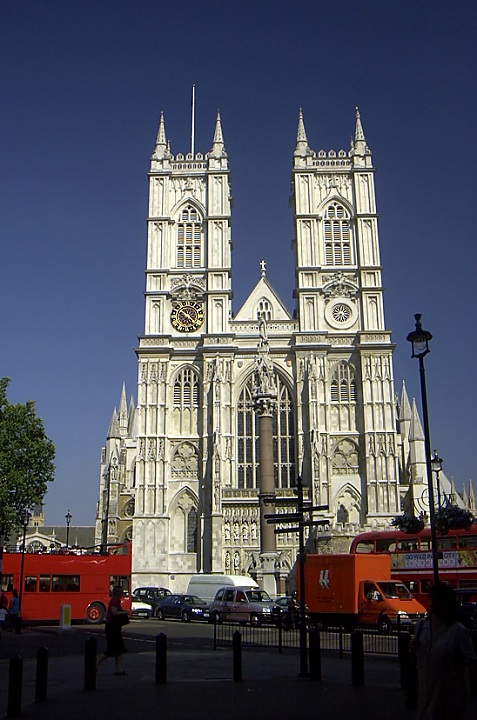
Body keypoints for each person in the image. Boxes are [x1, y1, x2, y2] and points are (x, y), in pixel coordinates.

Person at [411, 581, 477, 720]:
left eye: (437, 599)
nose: (432, 603)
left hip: (448, 702)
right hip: (424, 700)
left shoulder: (458, 631)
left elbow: (471, 662)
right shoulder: (420, 627)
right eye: (431, 599)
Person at [96, 586, 129, 675]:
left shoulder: (115, 600)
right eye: (122, 592)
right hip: (112, 628)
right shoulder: (115, 601)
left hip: (115, 627)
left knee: (118, 649)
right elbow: (114, 612)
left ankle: (118, 669)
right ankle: (95, 664)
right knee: (111, 649)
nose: (123, 594)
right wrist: (125, 612)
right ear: (118, 593)